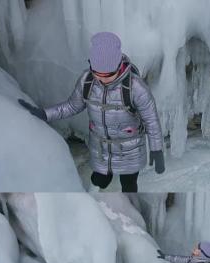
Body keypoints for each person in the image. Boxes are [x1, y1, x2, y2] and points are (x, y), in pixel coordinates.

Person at [18, 32, 165, 192]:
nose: (102, 79)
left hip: (129, 150)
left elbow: (151, 120)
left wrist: (156, 150)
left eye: (108, 74)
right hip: (101, 149)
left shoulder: (135, 88)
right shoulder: (87, 81)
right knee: (99, 182)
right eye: (97, 73)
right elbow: (72, 106)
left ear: (118, 65)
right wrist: (45, 114)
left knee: (128, 186)